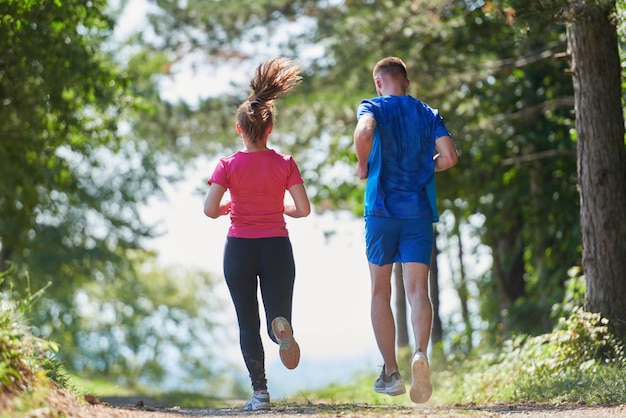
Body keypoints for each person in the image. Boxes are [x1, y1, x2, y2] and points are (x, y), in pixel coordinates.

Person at [203, 57, 311, 411]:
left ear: (239, 129)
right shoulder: (284, 163)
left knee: (246, 320)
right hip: (277, 247)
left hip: (240, 249)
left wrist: (226, 209)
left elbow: (209, 208)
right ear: (269, 130)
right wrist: (279, 208)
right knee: (275, 313)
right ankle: (281, 327)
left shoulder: (228, 165)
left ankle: (260, 393)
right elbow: (303, 208)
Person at [353, 57, 458, 404]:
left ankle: (391, 373)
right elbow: (450, 157)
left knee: (379, 292)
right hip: (418, 213)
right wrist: (426, 168)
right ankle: (420, 353)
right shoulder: (428, 113)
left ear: (379, 82)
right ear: (407, 82)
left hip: (381, 212)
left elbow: (365, 131)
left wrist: (363, 163)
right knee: (417, 291)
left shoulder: (373, 106)